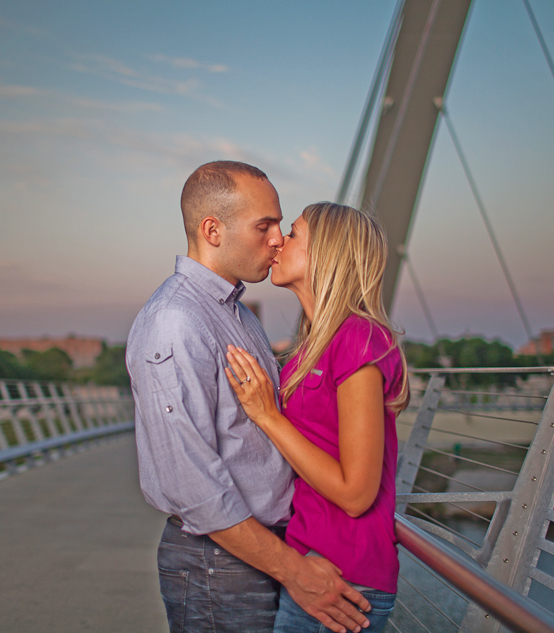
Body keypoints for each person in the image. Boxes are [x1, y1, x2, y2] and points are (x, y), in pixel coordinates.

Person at [127, 162, 372, 633]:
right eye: (265, 225)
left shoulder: (236, 314)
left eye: (281, 225)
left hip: (256, 552)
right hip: (219, 562)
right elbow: (191, 485)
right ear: (212, 230)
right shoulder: (176, 321)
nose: (278, 238)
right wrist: (296, 572)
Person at [224, 202, 409, 633]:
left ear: (326, 253)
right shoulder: (309, 352)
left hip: (346, 578)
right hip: (313, 564)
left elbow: (356, 493)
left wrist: (269, 416)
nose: (278, 241)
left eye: (293, 233)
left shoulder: (359, 339)